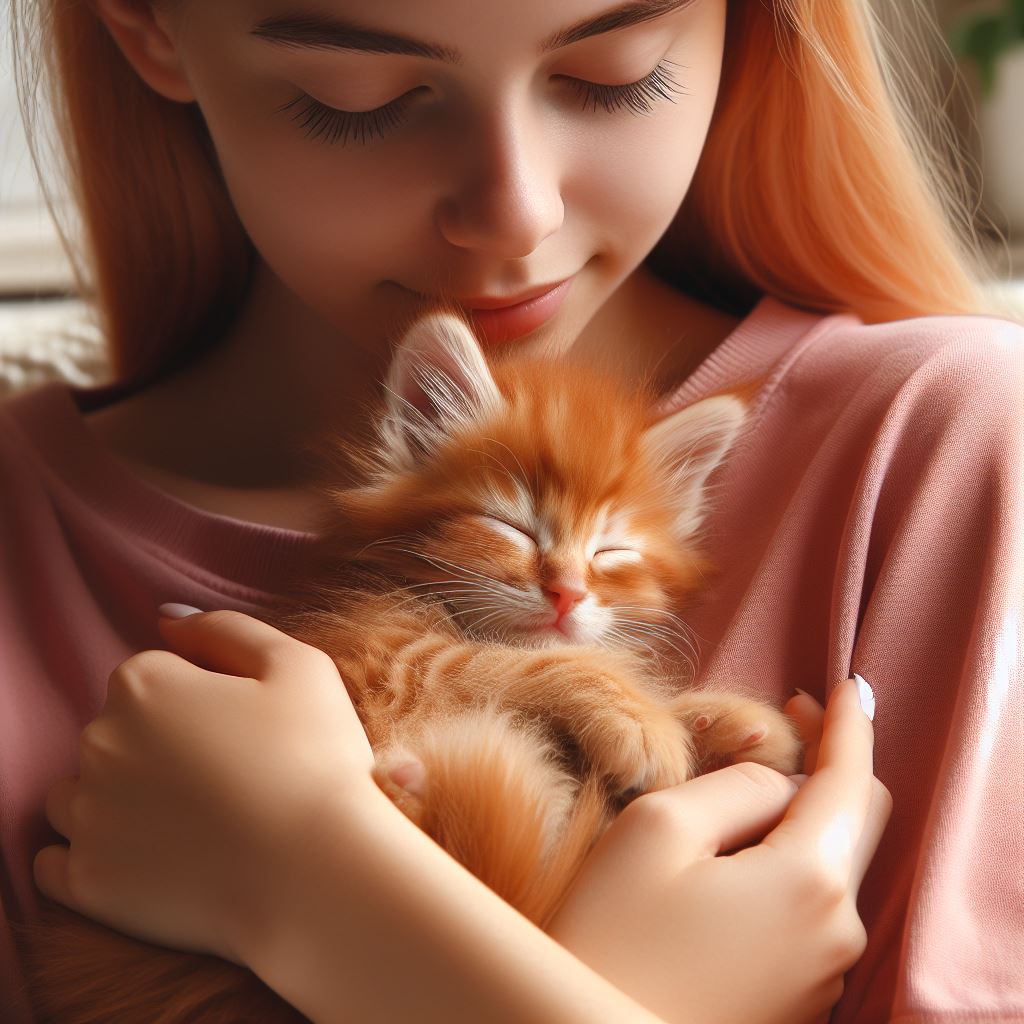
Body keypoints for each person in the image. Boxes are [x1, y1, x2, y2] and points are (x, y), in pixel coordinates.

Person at [1, 0, 1020, 1020]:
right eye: (361, 97)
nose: (515, 214)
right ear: (147, 24)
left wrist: (315, 885)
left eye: (614, 72)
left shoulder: (948, 441)